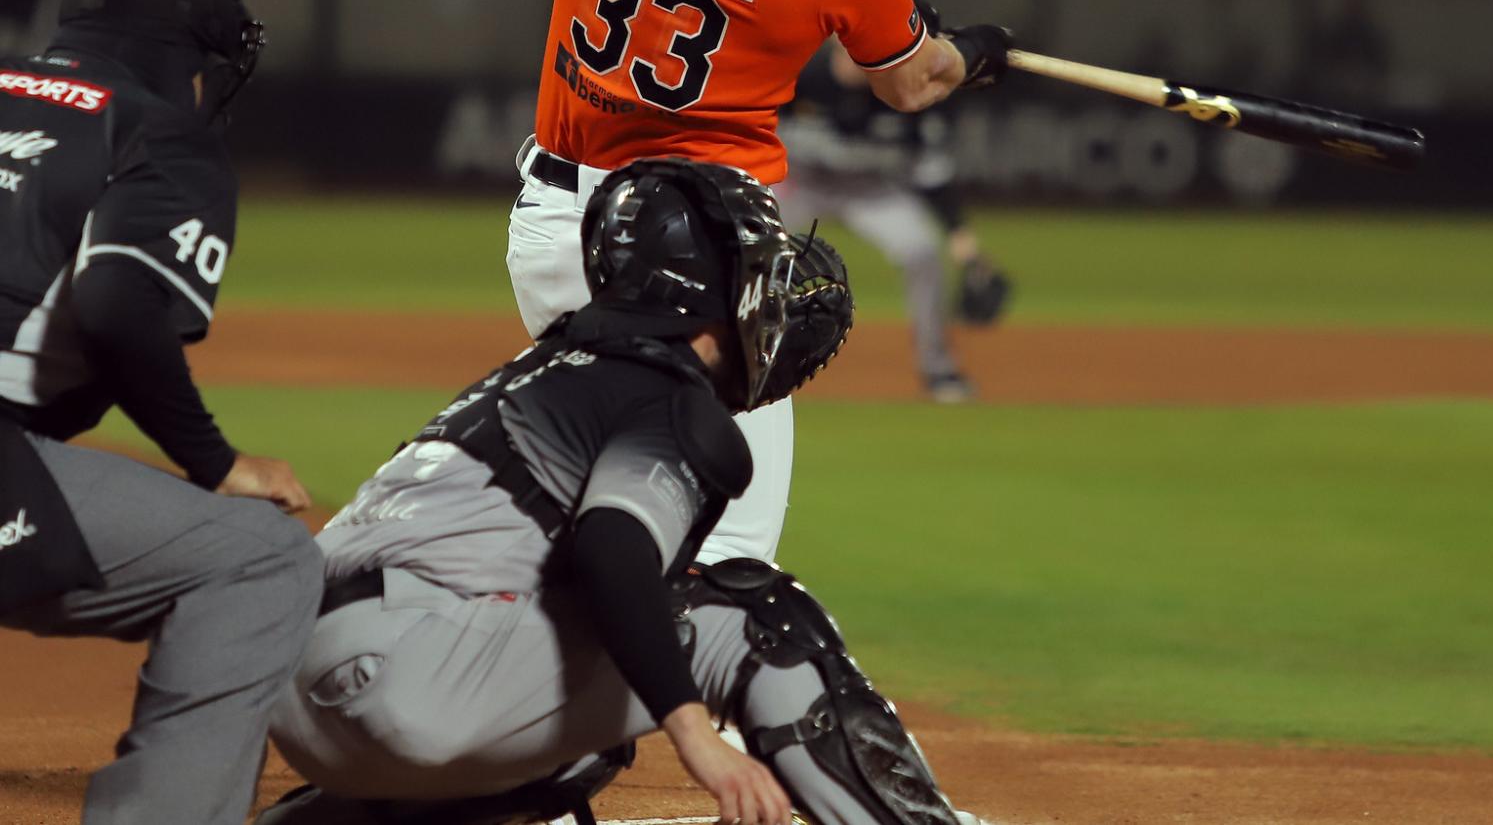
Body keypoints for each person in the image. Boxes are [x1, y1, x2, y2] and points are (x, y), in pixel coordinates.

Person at [260, 159, 983, 825]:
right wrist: (696, 735)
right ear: (707, 289)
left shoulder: (548, 370)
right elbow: (613, 550)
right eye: (751, 266)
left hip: (297, 696)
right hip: (412, 684)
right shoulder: (666, 395)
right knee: (758, 616)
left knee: (588, 737)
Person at [506, 0, 1011, 567]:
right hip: (697, 261)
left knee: (581, 510)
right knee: (728, 548)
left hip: (552, 232)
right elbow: (913, 82)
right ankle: (711, 706)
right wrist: (975, 50)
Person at [0, 0, 321, 825]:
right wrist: (213, 459)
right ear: (193, 67)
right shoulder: (156, 126)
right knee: (265, 560)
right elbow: (115, 306)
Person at [778, 41, 1011, 402]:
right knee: (750, 241)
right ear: (838, 44)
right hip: (801, 182)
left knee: (922, 252)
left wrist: (964, 247)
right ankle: (738, 357)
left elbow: (934, 177)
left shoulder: (905, 94)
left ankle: (939, 368)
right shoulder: (801, 77)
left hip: (871, 191)